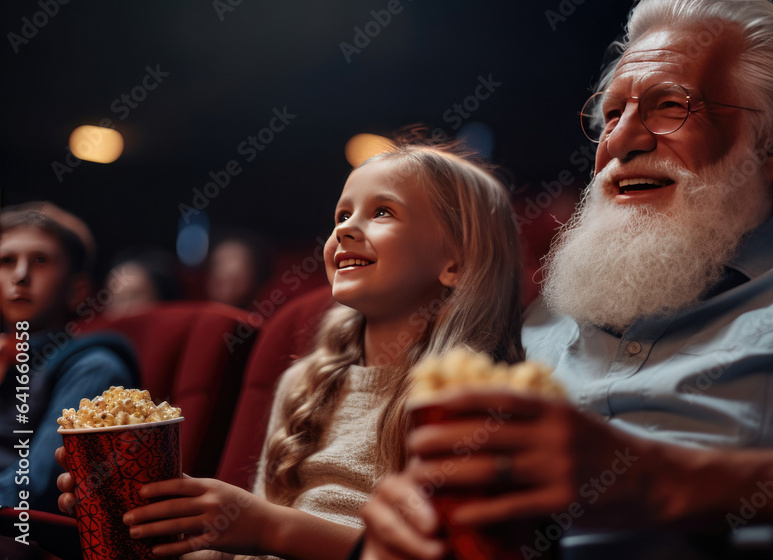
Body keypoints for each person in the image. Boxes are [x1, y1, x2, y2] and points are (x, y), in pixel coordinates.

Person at [358, 1, 773, 559]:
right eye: (610, 115)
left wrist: (654, 478)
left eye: (669, 106)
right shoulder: (545, 317)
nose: (623, 140)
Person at [56, 143, 524, 559]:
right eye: (342, 215)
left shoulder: (470, 398)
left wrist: (268, 528)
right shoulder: (305, 381)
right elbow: (252, 537)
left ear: (456, 262)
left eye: (382, 212)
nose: (346, 229)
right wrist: (151, 512)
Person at [0, 202, 139, 515]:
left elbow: (30, 489)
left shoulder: (94, 366)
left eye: (40, 260)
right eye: (7, 260)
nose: (20, 275)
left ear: (77, 290)